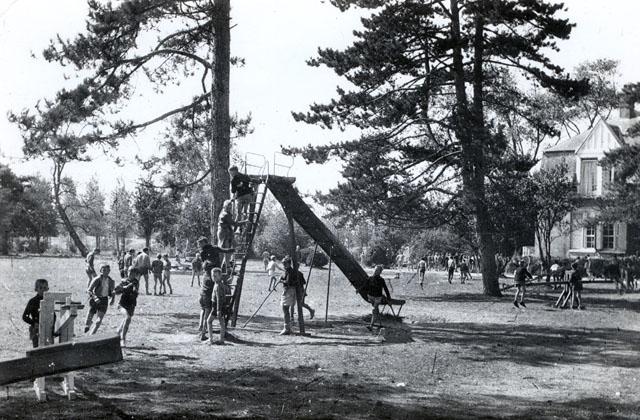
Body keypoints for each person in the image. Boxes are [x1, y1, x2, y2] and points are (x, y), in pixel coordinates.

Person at [111, 267, 139, 346]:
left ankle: (117, 333)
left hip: (132, 304)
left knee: (127, 320)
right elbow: (115, 291)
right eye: (130, 272)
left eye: (133, 273)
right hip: (122, 304)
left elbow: (134, 289)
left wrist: (128, 288)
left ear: (135, 274)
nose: (131, 274)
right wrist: (120, 289)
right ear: (127, 272)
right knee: (127, 318)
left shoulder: (136, 282)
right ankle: (122, 339)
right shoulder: (123, 281)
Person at [85, 264, 115, 335]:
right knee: (88, 320)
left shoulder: (111, 281)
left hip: (104, 300)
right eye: (103, 270)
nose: (104, 272)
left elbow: (112, 292)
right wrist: (95, 297)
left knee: (99, 321)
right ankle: (88, 324)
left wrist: (112, 299)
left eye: (106, 270)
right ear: (100, 271)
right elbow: (89, 290)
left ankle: (91, 336)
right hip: (94, 300)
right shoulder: (97, 279)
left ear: (109, 271)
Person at [22, 278, 49, 348]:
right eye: (40, 288)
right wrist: (33, 323)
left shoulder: (49, 301)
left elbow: (53, 316)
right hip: (36, 329)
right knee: (37, 348)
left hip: (47, 328)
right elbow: (25, 316)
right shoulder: (32, 301)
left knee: (48, 348)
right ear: (36, 289)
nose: (43, 290)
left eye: (45, 288)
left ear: (48, 289)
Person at [363, 265, 392, 330]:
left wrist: (389, 299)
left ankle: (371, 326)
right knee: (376, 310)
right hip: (371, 297)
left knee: (374, 309)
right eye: (375, 270)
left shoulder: (381, 280)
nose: (375, 271)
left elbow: (386, 289)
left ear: (380, 272)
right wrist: (358, 290)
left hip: (378, 297)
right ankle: (380, 324)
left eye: (377, 271)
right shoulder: (370, 278)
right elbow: (364, 285)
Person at [207, 267, 229, 345]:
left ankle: (211, 339)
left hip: (217, 306)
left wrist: (218, 310)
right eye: (213, 276)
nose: (214, 277)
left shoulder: (218, 286)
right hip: (218, 306)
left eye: (215, 276)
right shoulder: (218, 284)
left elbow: (219, 298)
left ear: (220, 276)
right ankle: (221, 339)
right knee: (222, 323)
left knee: (209, 321)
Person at [279, 256, 298, 335]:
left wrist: (281, 280)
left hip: (289, 291)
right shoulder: (288, 270)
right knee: (285, 309)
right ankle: (287, 327)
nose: (283, 265)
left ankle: (287, 328)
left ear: (289, 264)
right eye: (283, 264)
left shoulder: (290, 271)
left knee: (285, 309)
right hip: (289, 291)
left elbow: (288, 282)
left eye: (285, 264)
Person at [218, 199, 237, 271]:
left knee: (234, 245)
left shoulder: (225, 212)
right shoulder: (225, 214)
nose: (230, 208)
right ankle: (226, 266)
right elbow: (234, 223)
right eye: (228, 206)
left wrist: (231, 200)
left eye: (230, 206)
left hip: (227, 232)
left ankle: (226, 263)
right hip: (224, 233)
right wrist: (244, 222)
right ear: (225, 207)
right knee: (225, 249)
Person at [198, 261, 214, 339]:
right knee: (207, 315)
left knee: (202, 311)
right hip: (207, 297)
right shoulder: (211, 278)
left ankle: (200, 326)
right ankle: (203, 334)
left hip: (201, 296)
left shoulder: (204, 275)